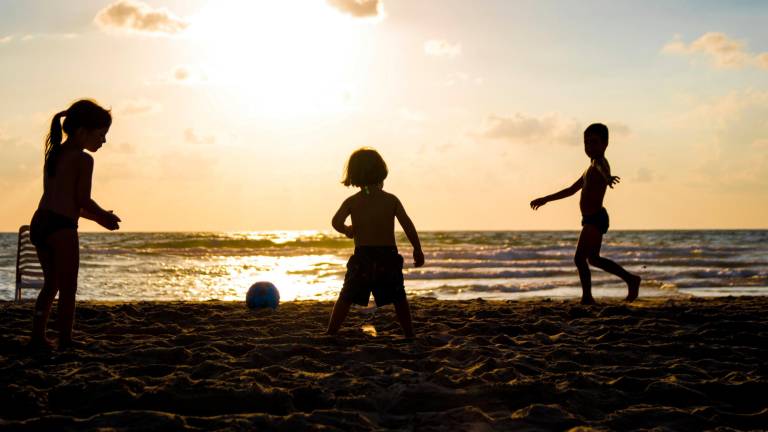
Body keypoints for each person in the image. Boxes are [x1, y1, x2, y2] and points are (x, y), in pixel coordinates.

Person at [29, 99, 121, 350]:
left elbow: (70, 205)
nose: (103, 141)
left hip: (41, 222)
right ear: (82, 131)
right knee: (68, 287)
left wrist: (98, 218)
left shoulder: (55, 153)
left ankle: (38, 336)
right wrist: (104, 214)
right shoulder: (83, 160)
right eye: (101, 135)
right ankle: (65, 339)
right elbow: (82, 200)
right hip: (61, 228)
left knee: (51, 285)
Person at [530, 123, 640, 305]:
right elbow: (571, 190)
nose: (590, 147)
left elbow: (603, 170)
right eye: (586, 143)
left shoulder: (600, 164)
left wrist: (609, 178)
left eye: (594, 142)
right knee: (593, 259)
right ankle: (631, 279)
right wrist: (546, 199)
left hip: (596, 218)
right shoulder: (588, 168)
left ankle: (587, 298)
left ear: (605, 144)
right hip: (590, 218)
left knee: (579, 258)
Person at [326, 148, 425, 337]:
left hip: (363, 256)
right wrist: (417, 249)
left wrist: (347, 230)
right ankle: (409, 334)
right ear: (381, 171)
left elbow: (336, 222)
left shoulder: (352, 201)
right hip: (387, 256)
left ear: (353, 174)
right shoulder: (391, 200)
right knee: (398, 296)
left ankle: (331, 331)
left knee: (346, 296)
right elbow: (407, 225)